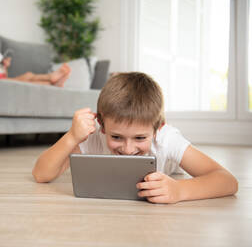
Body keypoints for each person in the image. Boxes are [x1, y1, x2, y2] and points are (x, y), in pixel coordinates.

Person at [32, 72, 238, 204]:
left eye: (140, 138)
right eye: (117, 137)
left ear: (157, 129)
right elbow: (42, 174)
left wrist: (179, 190)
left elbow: (227, 181)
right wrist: (71, 137)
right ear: (102, 126)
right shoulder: (93, 135)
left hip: (173, 173)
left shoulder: (167, 139)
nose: (128, 149)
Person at [0, 21, 70, 87]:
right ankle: (50, 77)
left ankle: (53, 84)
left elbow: (4, 75)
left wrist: (5, 66)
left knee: (29, 80)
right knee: (27, 76)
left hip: (1, 79)